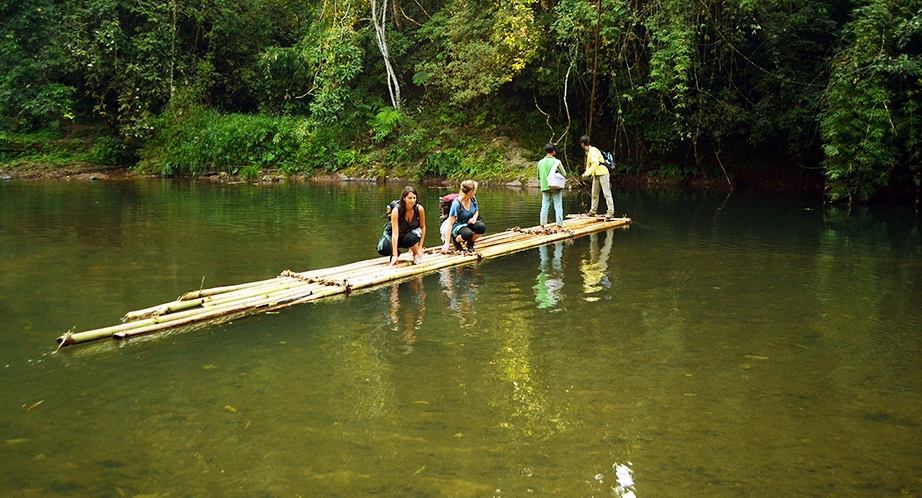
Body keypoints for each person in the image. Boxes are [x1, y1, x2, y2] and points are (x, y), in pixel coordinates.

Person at [440, 180, 486, 254]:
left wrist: (474, 218)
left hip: (468, 222)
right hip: (457, 225)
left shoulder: (473, 198)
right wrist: (446, 243)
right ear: (471, 191)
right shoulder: (456, 204)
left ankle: (470, 243)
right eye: (475, 190)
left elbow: (476, 211)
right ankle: (456, 240)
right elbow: (449, 224)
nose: (475, 192)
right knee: (468, 234)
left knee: (481, 227)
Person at [388, 185, 427, 266]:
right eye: (409, 198)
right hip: (400, 235)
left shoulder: (419, 209)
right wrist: (394, 255)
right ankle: (396, 253)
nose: (412, 201)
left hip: (412, 235)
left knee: (410, 238)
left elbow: (423, 227)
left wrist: (420, 247)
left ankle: (415, 254)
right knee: (384, 247)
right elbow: (395, 234)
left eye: (414, 198)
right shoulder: (396, 211)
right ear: (404, 198)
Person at [579, 135, 614, 218]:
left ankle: (610, 212)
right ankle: (593, 211)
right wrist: (586, 172)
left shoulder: (593, 151)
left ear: (583, 144)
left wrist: (587, 174)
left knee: (606, 194)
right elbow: (589, 165)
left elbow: (595, 163)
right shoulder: (589, 152)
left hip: (603, 173)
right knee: (594, 194)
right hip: (596, 175)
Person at [537, 143, 566, 228]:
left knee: (545, 206)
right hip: (555, 186)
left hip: (545, 187)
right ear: (553, 151)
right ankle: (559, 225)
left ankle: (542, 225)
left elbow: (538, 176)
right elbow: (564, 174)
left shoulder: (540, 162)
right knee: (558, 206)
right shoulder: (557, 162)